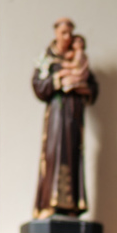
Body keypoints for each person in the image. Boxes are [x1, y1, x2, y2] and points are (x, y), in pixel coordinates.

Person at [32, 16, 99, 220]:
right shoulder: (48, 59)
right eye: (63, 33)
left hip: (73, 117)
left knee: (73, 156)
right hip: (56, 118)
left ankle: (71, 205)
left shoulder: (79, 59)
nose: (67, 37)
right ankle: (48, 204)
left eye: (70, 33)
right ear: (56, 33)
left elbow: (93, 87)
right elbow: (38, 85)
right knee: (53, 156)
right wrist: (58, 80)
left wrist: (82, 87)